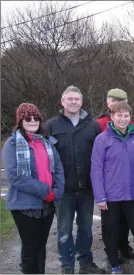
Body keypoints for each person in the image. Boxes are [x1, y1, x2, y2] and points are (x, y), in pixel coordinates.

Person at [45, 86, 105, 274]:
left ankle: (86, 264)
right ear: (62, 102)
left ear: (81, 102)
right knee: (64, 232)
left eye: (76, 99)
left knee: (86, 229)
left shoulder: (92, 125)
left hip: (86, 188)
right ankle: (67, 266)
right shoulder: (51, 126)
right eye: (69, 99)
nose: (73, 102)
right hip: (63, 190)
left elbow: (100, 156)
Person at [90, 102, 134, 274]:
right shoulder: (102, 139)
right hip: (111, 197)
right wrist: (100, 197)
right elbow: (96, 170)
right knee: (111, 232)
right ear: (112, 116)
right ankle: (115, 266)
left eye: (126, 115)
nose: (123, 119)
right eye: (119, 115)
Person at [2, 103, 65, 274]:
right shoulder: (12, 144)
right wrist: (45, 191)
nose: (32, 120)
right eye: (27, 118)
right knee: (30, 248)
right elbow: (15, 176)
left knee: (41, 247)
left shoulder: (46, 142)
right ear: (20, 120)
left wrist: (57, 191)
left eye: (35, 117)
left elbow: (58, 168)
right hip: (25, 206)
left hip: (48, 205)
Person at [96, 88, 134, 260]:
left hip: (127, 183)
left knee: (125, 220)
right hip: (109, 181)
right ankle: (110, 249)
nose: (117, 104)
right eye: (113, 100)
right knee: (110, 222)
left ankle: (124, 245)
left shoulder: (130, 123)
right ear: (108, 103)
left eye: (121, 101)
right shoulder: (99, 123)